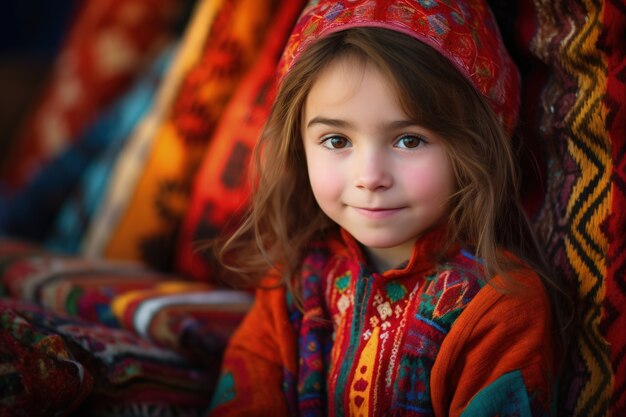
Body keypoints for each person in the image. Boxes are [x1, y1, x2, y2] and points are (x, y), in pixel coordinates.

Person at [207, 0, 570, 415]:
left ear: (477, 146)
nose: (370, 176)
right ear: (298, 148)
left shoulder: (500, 307)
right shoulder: (293, 286)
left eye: (409, 140)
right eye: (337, 141)